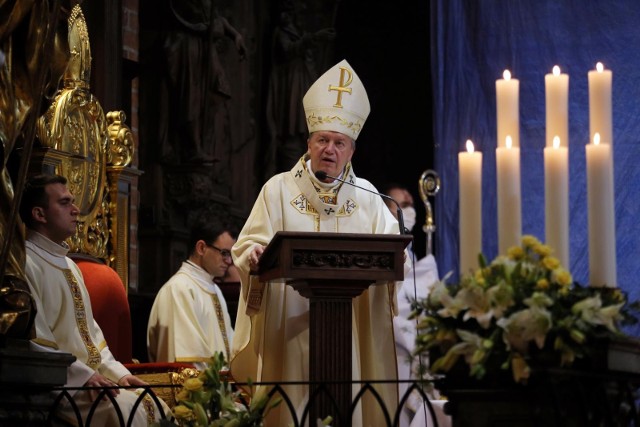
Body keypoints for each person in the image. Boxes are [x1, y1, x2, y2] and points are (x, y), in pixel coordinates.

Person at [230, 59, 407, 426]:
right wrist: (255, 254)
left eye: (338, 142)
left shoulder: (369, 196)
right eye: (322, 140)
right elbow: (247, 245)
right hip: (289, 323)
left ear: (351, 151)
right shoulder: (278, 189)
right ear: (309, 143)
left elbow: (392, 249)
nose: (329, 149)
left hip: (350, 326)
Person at [20, 174, 170, 426]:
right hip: (57, 384)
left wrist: (121, 375)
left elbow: (93, 339)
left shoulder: (70, 266)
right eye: (65, 202)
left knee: (156, 403)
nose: (76, 210)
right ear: (39, 214)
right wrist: (82, 377)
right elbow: (34, 340)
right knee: (122, 412)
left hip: (92, 380)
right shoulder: (25, 263)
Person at [381, 183, 450, 427]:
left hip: (416, 348)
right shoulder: (381, 248)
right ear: (387, 211)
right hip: (394, 347)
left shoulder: (414, 255)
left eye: (411, 206)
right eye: (404, 205)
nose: (410, 211)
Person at [147, 223, 235, 370]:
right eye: (224, 253)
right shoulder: (179, 289)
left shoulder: (215, 290)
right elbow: (186, 363)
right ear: (201, 248)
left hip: (219, 389)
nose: (229, 261)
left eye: (231, 255)